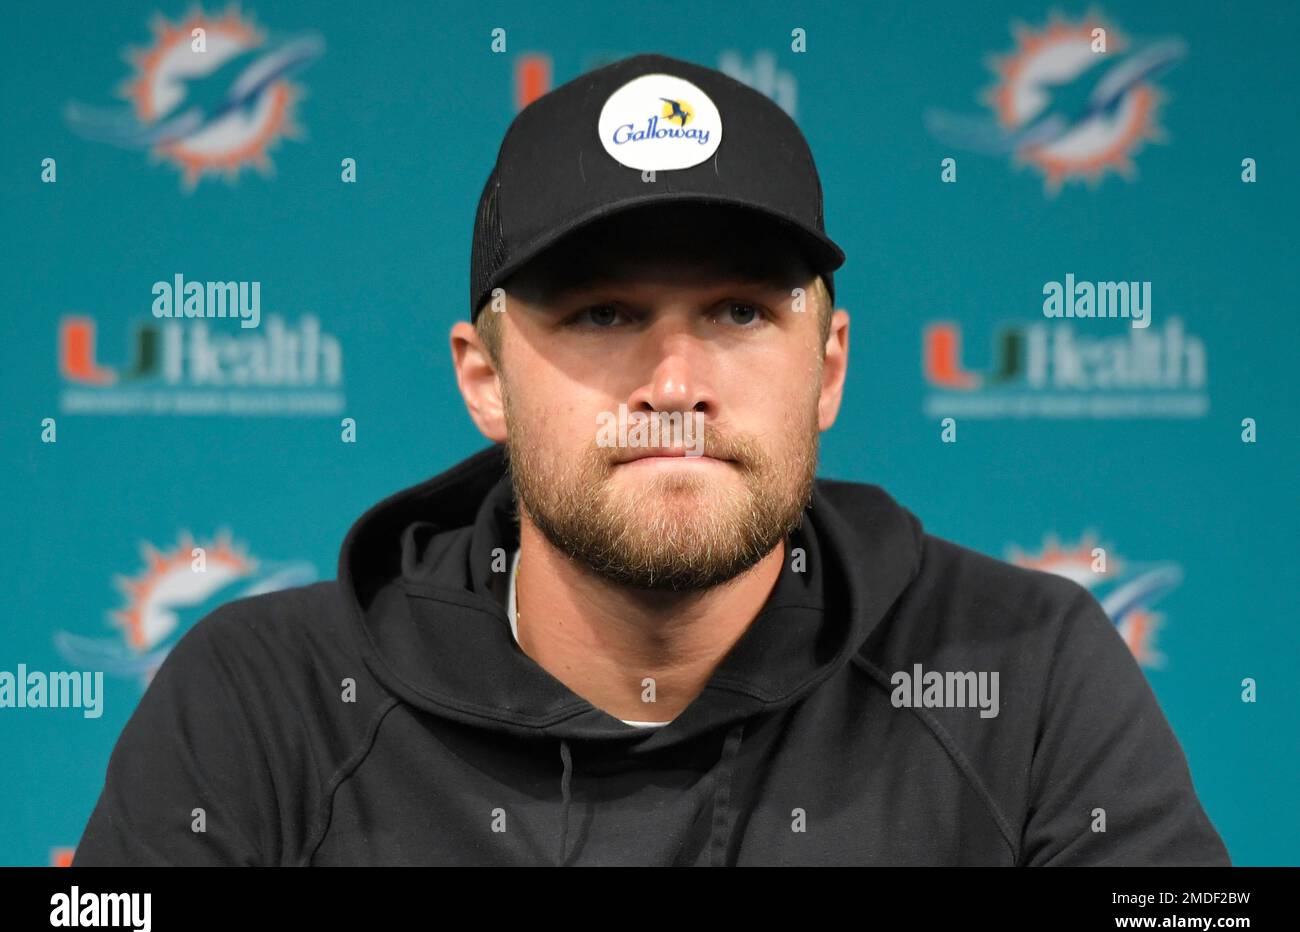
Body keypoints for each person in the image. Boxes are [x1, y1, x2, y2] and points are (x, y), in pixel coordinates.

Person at [73, 53, 1229, 866]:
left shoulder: (1022, 673)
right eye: (602, 314)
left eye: (736, 313)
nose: (674, 385)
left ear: (827, 367)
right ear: (483, 376)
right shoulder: (263, 698)